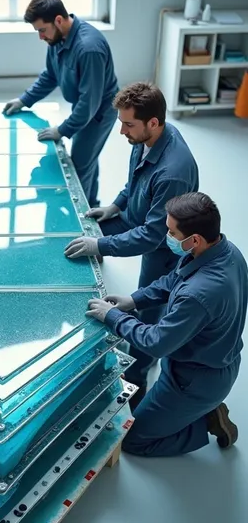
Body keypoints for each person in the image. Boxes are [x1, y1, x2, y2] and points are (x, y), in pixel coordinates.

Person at [64, 83, 199, 400]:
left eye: (128, 124)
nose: (121, 131)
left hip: (164, 245)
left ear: (153, 122)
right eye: (121, 122)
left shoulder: (173, 172)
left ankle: (136, 378)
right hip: (137, 215)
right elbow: (134, 181)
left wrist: (100, 246)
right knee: (88, 232)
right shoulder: (145, 137)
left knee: (147, 308)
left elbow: (153, 236)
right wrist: (115, 205)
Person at [87, 193, 247, 457]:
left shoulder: (200, 294)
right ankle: (198, 410)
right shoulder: (223, 251)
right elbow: (173, 280)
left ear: (194, 239)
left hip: (194, 380)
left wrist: (112, 317)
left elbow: (156, 342)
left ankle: (206, 421)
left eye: (172, 232)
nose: (167, 236)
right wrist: (132, 300)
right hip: (211, 358)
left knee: (132, 441)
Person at [3, 0, 118, 207]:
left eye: (42, 30)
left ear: (58, 20)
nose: (40, 37)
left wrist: (62, 130)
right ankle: (92, 203)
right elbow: (50, 75)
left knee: (81, 164)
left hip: (99, 112)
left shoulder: (88, 48)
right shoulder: (56, 39)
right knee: (87, 157)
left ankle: (82, 217)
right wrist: (24, 100)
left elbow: (89, 104)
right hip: (84, 106)